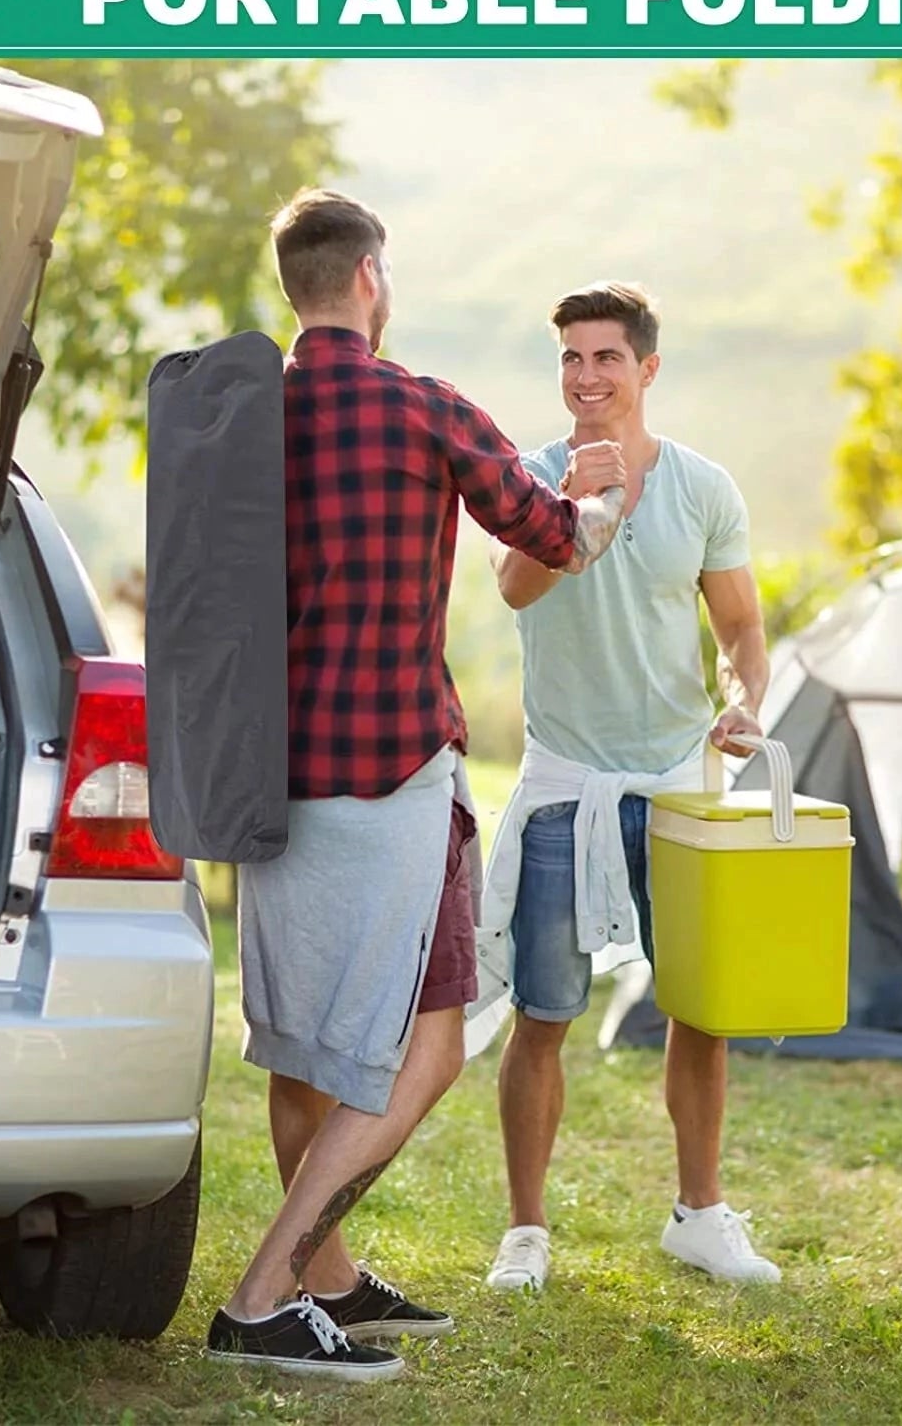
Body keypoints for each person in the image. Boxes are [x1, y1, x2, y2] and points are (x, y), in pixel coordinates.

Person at [205, 190, 626, 1381]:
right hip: (389, 772)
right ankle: (263, 1293)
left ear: (299, 284)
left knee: (309, 1048)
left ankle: (329, 1283)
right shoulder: (421, 403)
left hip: (268, 779)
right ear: (373, 278)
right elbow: (554, 537)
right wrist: (603, 493)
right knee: (413, 1058)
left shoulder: (237, 418)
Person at [481, 281, 779, 1292]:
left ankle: (700, 1214)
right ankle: (527, 1232)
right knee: (545, 1012)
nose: (585, 376)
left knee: (700, 1008)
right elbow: (515, 588)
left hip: (680, 785)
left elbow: (739, 626)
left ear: (647, 369)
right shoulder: (528, 477)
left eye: (606, 357)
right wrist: (577, 507)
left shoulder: (703, 488)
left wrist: (745, 699)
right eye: (570, 357)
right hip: (567, 782)